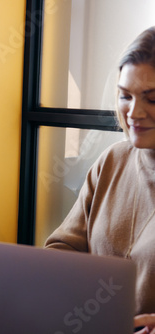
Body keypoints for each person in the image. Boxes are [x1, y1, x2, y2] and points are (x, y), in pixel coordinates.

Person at [45, 26, 155, 334]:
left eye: (152, 99)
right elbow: (63, 247)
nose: (134, 112)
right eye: (125, 95)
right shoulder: (113, 160)